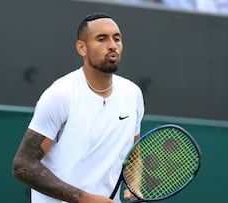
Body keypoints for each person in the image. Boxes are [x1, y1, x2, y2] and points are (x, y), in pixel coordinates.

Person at [12, 13, 145, 203]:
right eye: (102, 39)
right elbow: (23, 165)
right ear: (82, 47)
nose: (112, 45)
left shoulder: (133, 94)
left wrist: (135, 187)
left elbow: (133, 156)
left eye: (117, 38)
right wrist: (84, 198)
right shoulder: (60, 94)